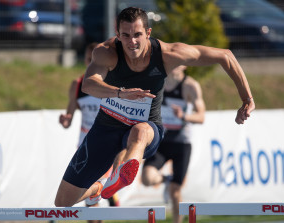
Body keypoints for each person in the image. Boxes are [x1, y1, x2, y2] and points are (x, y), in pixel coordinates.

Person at [54, 7, 255, 207]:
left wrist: (246, 98)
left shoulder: (167, 54)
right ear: (117, 34)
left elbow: (225, 55)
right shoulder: (106, 52)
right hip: (106, 127)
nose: (132, 42)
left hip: (147, 128)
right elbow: (88, 84)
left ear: (148, 33)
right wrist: (120, 92)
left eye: (137, 35)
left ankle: (122, 173)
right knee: (63, 203)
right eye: (125, 35)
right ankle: (100, 187)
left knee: (138, 132)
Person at [58, 42, 119, 222]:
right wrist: (66, 119)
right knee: (91, 192)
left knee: (91, 187)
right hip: (85, 145)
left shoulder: (113, 86)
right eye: (88, 58)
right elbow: (69, 114)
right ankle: (109, 196)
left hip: (108, 144)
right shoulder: (78, 85)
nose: (90, 62)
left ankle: (109, 193)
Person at [141, 65, 205, 223]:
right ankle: (166, 180)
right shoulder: (157, 82)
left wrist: (183, 116)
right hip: (160, 142)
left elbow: (201, 117)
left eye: (177, 62)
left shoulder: (190, 86)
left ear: (184, 65)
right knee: (147, 179)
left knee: (175, 192)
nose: (172, 65)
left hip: (181, 143)